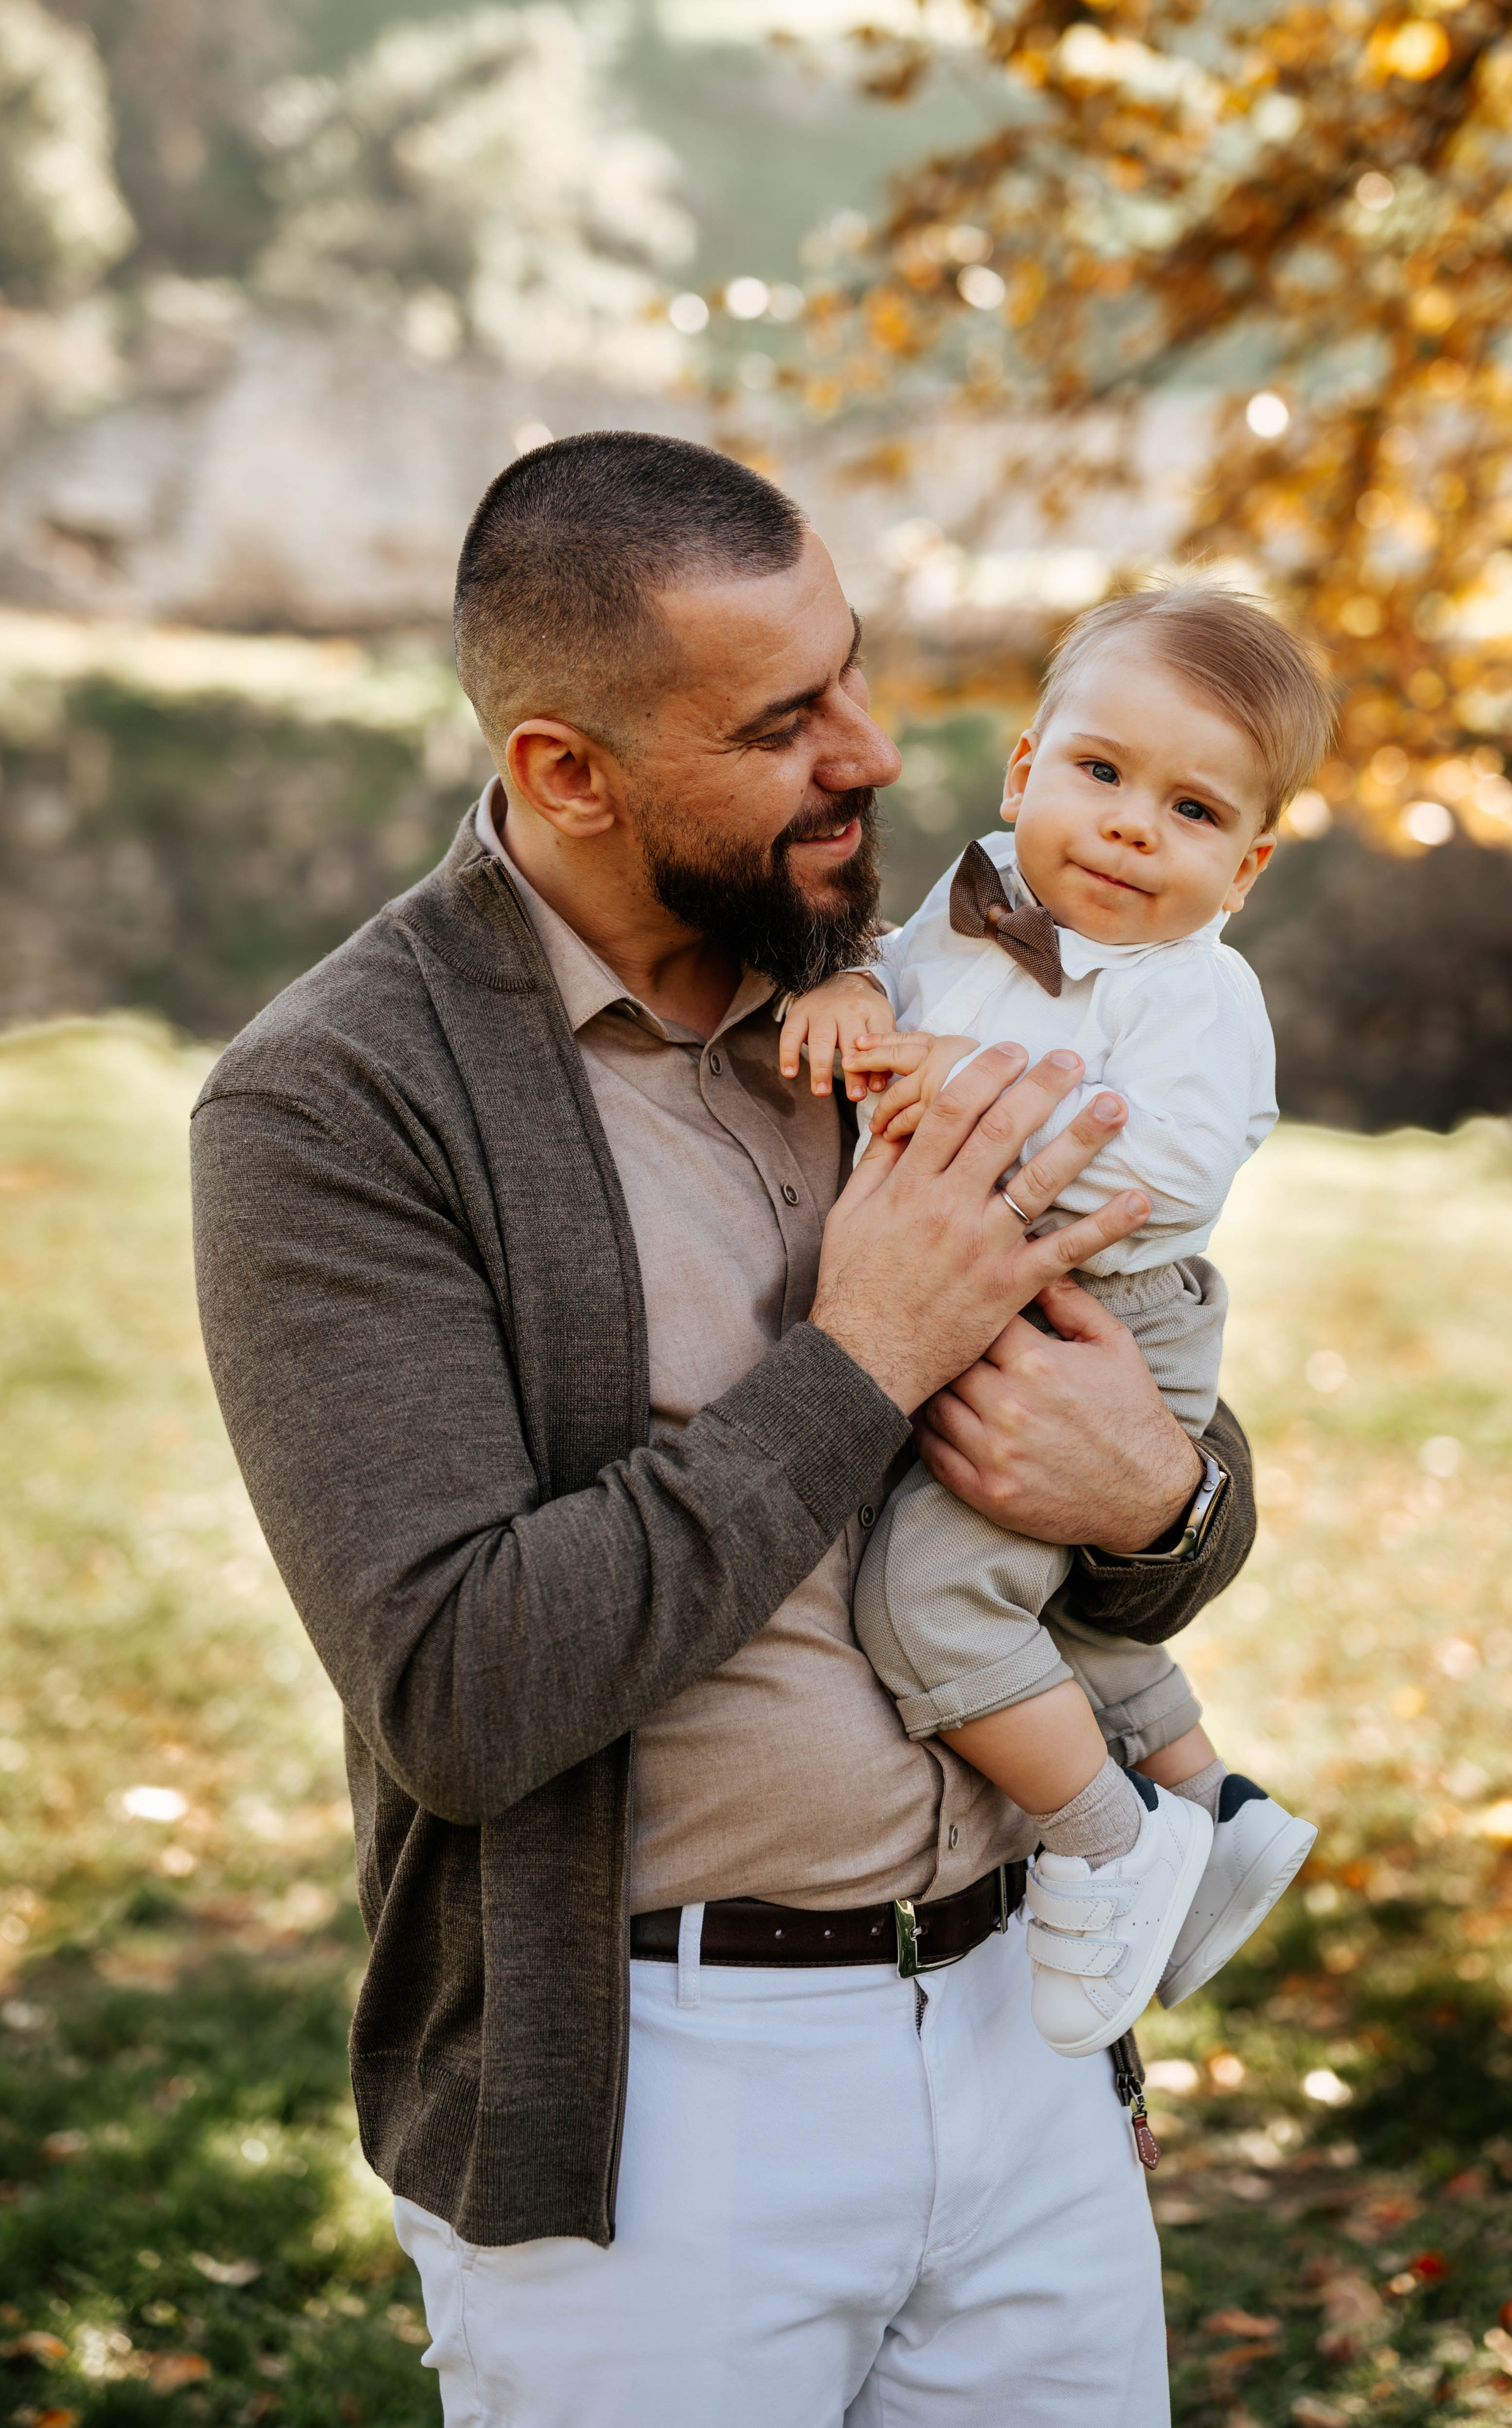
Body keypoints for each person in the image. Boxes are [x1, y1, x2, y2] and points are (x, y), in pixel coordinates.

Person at [190, 432, 1259, 2428]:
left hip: (1025, 2047)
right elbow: (459, 1684)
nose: (868, 752)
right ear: (565, 769)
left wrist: (1174, 1501)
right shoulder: (336, 1109)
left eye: (851, 669)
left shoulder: (899, 965)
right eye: (784, 721)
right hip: (659, 2124)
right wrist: (859, 1356)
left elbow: (1132, 1443)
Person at [779, 585, 1327, 2063]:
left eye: (1192, 809)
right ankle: (1216, 1810)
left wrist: (957, 1085)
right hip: (990, 1289)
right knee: (1046, 1598)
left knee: (933, 1598)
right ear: (1023, 771)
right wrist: (843, 991)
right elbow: (890, 997)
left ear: (1245, 867)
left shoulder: (1196, 995)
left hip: (1105, 1318)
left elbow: (1165, 1172)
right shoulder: (965, 902)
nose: (1131, 825)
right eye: (1099, 773)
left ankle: (1104, 1838)